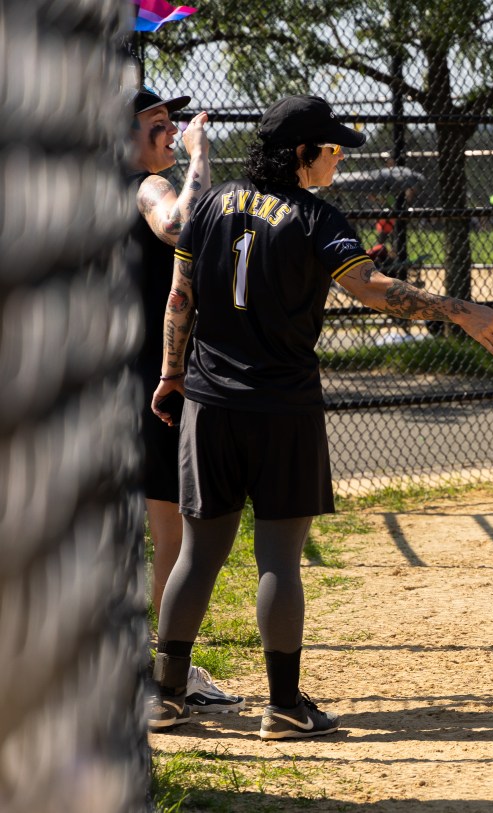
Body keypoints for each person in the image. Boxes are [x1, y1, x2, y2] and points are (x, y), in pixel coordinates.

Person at [147, 95, 493, 740]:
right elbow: (372, 290)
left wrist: (170, 373)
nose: (338, 161)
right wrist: (461, 309)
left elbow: (182, 296)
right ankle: (285, 708)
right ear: (301, 155)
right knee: (278, 559)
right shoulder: (314, 215)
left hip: (209, 400)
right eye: (333, 150)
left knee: (199, 554)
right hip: (282, 404)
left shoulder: (206, 203)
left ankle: (165, 696)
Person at [126, 86, 244, 715]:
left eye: (174, 125)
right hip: (152, 381)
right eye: (158, 126)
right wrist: (200, 155)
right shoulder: (143, 187)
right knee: (170, 526)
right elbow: (180, 225)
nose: (171, 133)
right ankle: (161, 669)